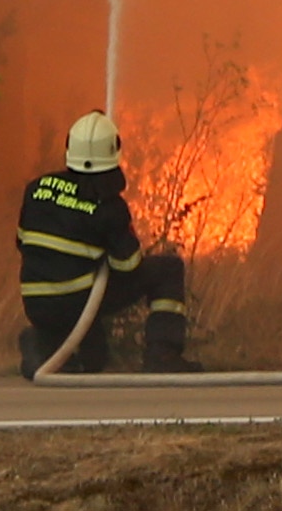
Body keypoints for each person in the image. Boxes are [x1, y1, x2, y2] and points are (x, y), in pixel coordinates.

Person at [16, 110, 192, 373]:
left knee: (94, 362)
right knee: (168, 269)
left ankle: (40, 344)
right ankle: (163, 355)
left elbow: (21, 243)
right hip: (78, 303)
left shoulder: (37, 189)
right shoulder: (109, 206)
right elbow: (128, 266)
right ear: (114, 151)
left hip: (36, 303)